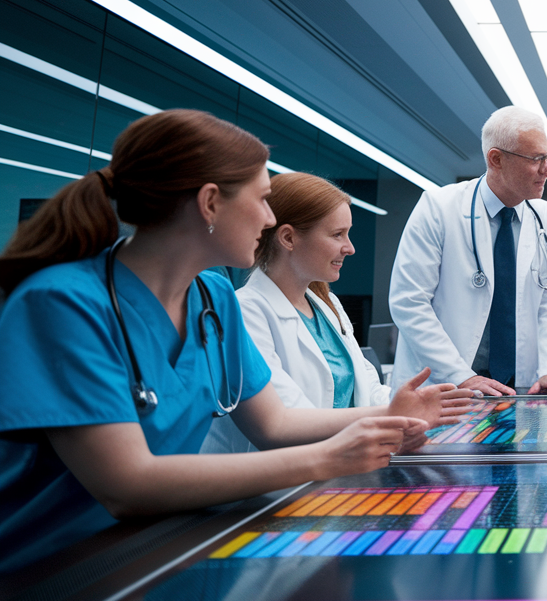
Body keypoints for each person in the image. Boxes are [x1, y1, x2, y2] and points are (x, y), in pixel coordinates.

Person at [0, 110, 473, 574]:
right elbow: (127, 483)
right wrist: (328, 457)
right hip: (48, 568)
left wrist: (391, 414)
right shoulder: (63, 303)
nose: (269, 219)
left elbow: (275, 423)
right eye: (263, 199)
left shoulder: (212, 296)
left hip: (153, 547)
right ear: (209, 203)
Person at [389, 107, 547, 396]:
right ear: (496, 159)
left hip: (519, 386)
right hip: (446, 383)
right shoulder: (438, 207)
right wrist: (461, 375)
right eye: (536, 159)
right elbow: (409, 302)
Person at [203, 172, 390, 453]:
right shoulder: (246, 311)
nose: (349, 248)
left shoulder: (329, 305)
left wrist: (418, 402)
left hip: (342, 464)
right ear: (288, 238)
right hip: (279, 482)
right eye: (337, 234)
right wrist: (390, 417)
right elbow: (283, 420)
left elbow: (366, 388)